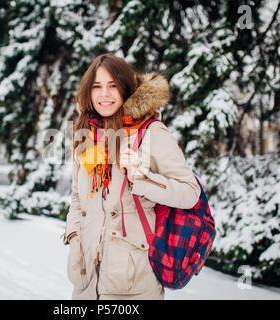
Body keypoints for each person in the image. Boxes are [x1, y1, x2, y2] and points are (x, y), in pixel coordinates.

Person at [63, 53, 201, 300]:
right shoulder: (87, 135)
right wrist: (74, 236)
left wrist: (140, 176)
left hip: (131, 284)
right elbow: (77, 198)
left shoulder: (151, 133)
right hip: (85, 280)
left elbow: (190, 193)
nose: (104, 94)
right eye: (97, 87)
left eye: (112, 86)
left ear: (126, 88)